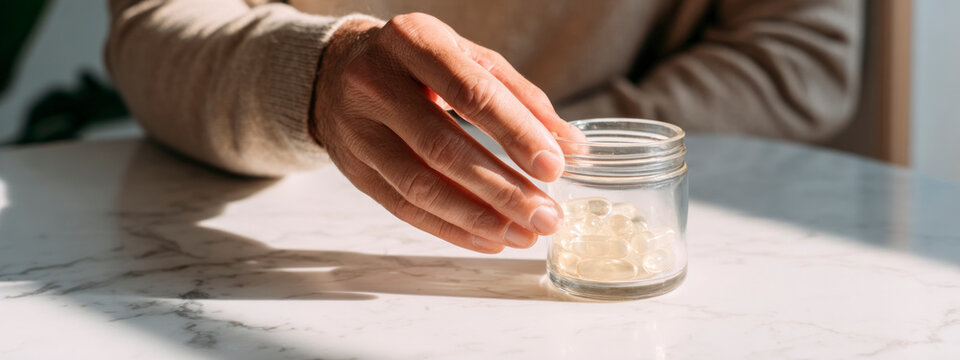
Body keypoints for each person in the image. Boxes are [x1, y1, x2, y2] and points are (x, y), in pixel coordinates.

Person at [104, 0, 863, 254]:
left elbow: (801, 53)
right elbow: (148, 27)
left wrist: (563, 147)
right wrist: (317, 76)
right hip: (270, 220)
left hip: (579, 222)